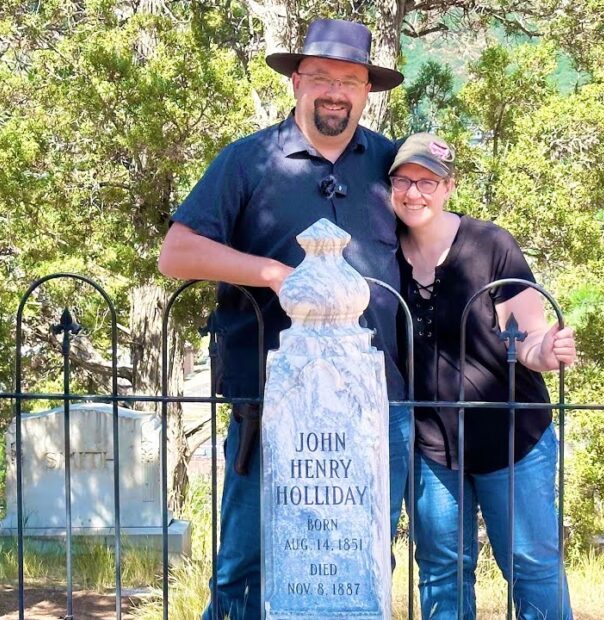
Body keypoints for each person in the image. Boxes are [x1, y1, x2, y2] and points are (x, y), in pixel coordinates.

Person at [158, 19, 410, 620]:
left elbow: (435, 241)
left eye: (349, 80)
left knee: (363, 564)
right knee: (243, 568)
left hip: (379, 402)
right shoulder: (248, 161)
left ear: (367, 91)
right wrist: (273, 273)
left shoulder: (391, 166)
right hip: (267, 401)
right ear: (297, 81)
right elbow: (177, 253)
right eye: (321, 77)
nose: (335, 92)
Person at [388, 133, 576, 620]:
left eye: (427, 182)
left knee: (532, 565)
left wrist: (546, 350)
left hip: (513, 438)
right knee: (442, 570)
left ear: (448, 187)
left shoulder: (490, 244)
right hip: (432, 448)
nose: (414, 193)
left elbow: (530, 337)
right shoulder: (382, 252)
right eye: (403, 181)